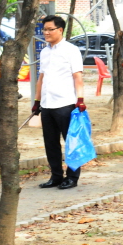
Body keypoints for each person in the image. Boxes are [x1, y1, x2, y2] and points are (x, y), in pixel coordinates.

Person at [32, 15, 86, 190]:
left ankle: (72, 177)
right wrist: (37, 101)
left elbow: (77, 77)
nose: (46, 33)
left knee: (71, 142)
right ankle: (56, 176)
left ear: (60, 30)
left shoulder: (71, 50)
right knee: (51, 143)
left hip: (65, 104)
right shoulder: (44, 52)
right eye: (44, 29)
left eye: (50, 29)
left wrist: (80, 100)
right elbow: (41, 78)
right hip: (47, 104)